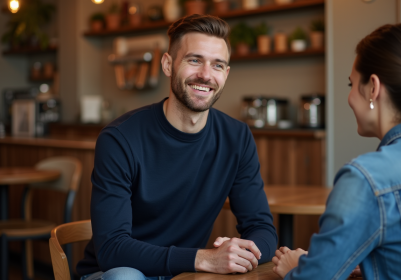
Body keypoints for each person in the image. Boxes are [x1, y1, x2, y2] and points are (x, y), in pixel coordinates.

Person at [76, 14, 277, 280]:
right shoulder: (119, 138)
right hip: (117, 271)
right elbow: (112, 249)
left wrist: (239, 253)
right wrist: (204, 258)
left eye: (217, 65)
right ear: (168, 64)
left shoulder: (236, 137)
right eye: (194, 60)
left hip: (185, 273)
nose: (205, 75)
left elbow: (261, 227)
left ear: (225, 74)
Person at [272, 23, 401, 279]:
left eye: (350, 84)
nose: (349, 97)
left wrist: (294, 269)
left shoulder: (366, 179)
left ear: (373, 87)